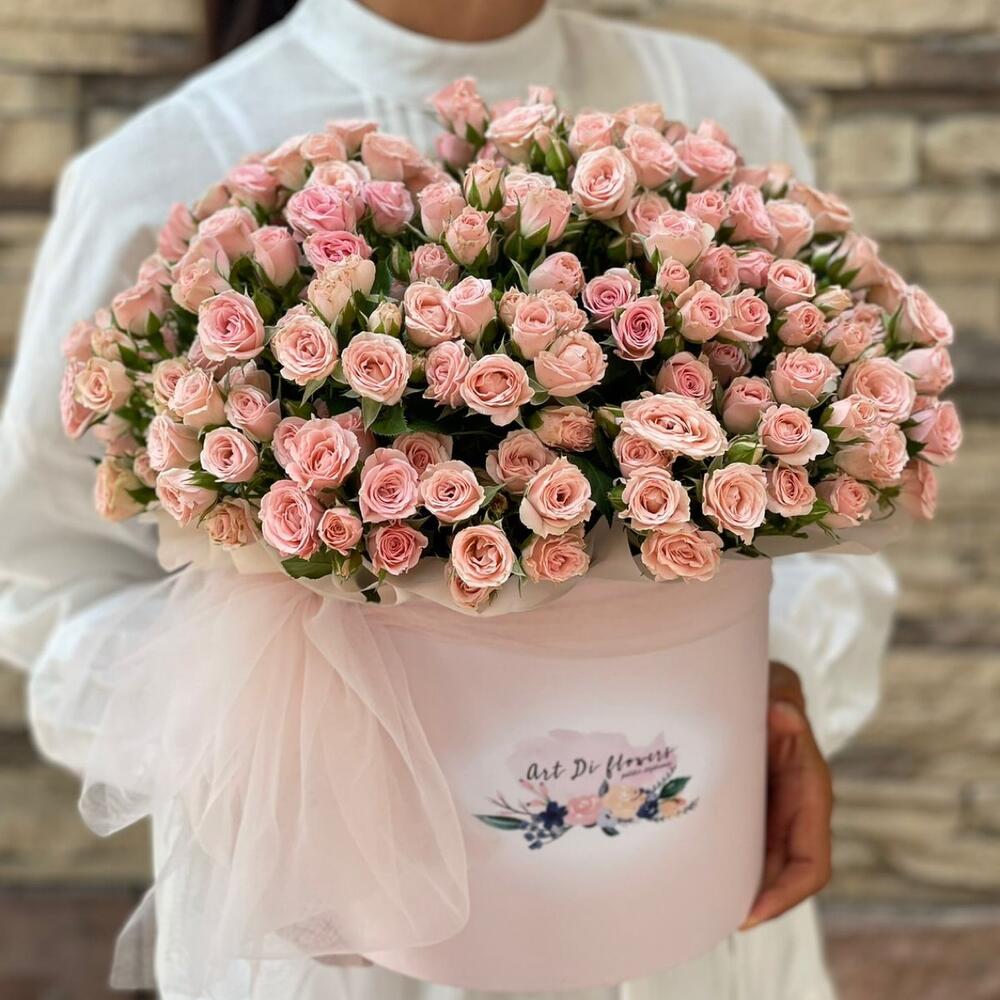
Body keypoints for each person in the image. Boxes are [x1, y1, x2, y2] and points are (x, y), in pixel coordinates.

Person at [0, 1, 897, 997]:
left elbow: (827, 525)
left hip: (676, 877)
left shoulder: (710, 103)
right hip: (346, 940)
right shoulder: (162, 164)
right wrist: (273, 738)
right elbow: (48, 587)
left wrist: (771, 678)